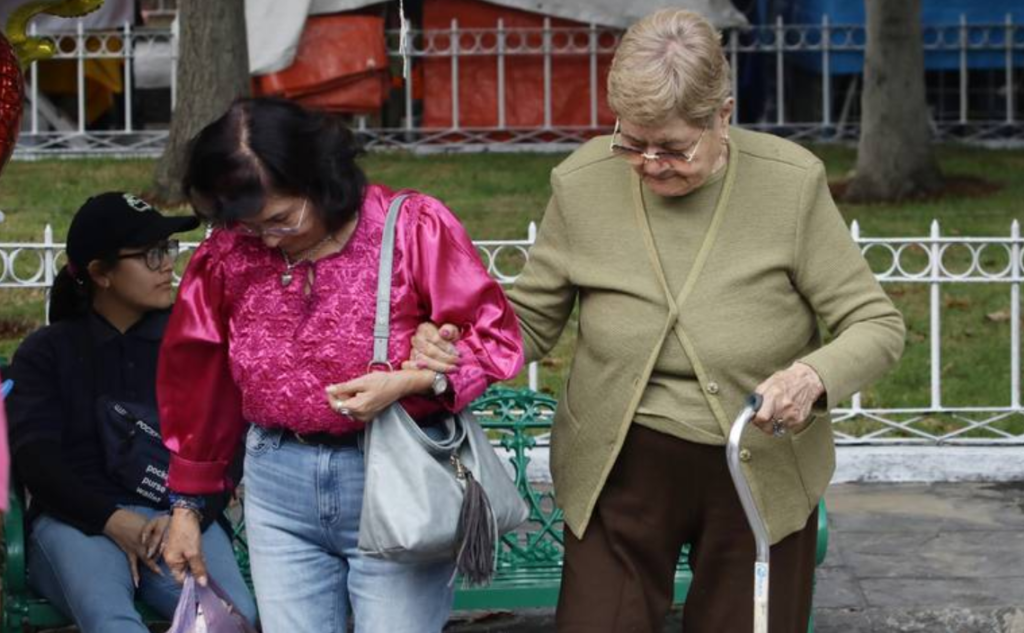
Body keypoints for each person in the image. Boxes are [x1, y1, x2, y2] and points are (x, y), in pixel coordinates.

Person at [409, 8, 906, 633]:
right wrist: (458, 347)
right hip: (620, 464)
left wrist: (811, 376)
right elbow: (529, 321)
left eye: (672, 147)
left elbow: (876, 325)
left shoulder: (791, 183)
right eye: (630, 141)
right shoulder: (583, 182)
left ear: (723, 115)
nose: (647, 162)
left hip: (760, 460)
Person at [157, 97, 524, 633]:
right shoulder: (227, 254)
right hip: (276, 483)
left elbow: (494, 338)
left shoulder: (409, 228)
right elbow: (198, 379)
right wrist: (187, 506)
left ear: (320, 178)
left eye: (281, 218)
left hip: (391, 475)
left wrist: (413, 378)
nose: (266, 238)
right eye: (249, 224)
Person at [4, 192, 257, 633]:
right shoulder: (48, 352)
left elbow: (224, 449)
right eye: (150, 254)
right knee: (112, 623)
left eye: (169, 250)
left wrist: (188, 513)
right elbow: (37, 459)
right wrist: (113, 521)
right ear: (101, 274)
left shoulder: (194, 345)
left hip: (177, 516)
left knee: (231, 622)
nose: (167, 265)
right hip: (78, 521)